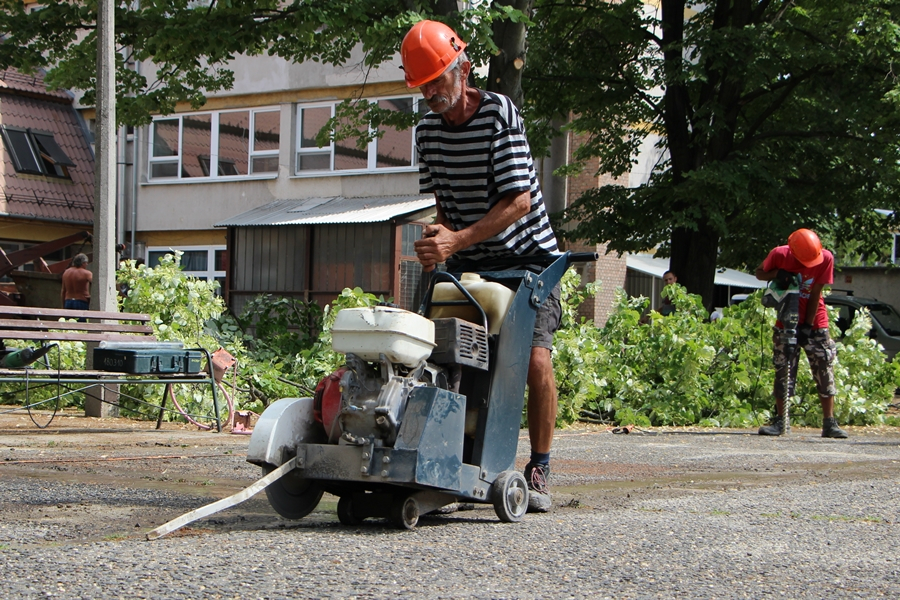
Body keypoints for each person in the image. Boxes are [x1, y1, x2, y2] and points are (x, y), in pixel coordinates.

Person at [403, 20, 561, 512]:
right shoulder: (426, 132)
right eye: (422, 85)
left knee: (533, 360)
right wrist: (437, 242)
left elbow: (519, 201)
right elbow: (445, 205)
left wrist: (457, 241)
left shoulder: (497, 113)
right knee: (446, 357)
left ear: (463, 69)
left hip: (529, 260)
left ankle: (539, 465)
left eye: (438, 80)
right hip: (470, 262)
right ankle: (455, 461)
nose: (431, 92)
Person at [754, 228, 847, 438]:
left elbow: (816, 292)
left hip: (815, 321)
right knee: (783, 365)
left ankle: (829, 422)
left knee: (823, 364)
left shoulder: (825, 258)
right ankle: (781, 420)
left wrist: (807, 325)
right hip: (785, 319)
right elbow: (759, 273)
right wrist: (777, 273)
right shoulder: (779, 254)